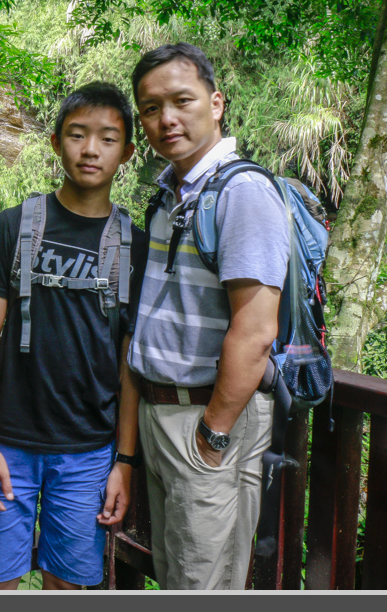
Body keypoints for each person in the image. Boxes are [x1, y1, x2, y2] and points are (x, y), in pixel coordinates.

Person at [0, 81, 148, 590]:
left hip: (88, 451)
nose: (90, 150)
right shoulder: (15, 226)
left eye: (107, 139)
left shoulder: (137, 246)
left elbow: (131, 362)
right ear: (55, 142)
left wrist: (123, 463)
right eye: (77, 135)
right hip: (8, 445)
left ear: (127, 152)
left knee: (68, 584)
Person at [125, 43, 290, 590]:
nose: (166, 118)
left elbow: (256, 330)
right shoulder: (170, 194)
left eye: (181, 100)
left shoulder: (241, 192)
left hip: (206, 418)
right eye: (150, 108)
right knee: (177, 574)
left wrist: (213, 435)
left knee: (203, 582)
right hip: (160, 413)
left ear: (216, 104)